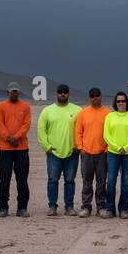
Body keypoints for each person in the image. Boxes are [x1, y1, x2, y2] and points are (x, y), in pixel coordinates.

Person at [38, 84, 81, 217]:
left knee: (70, 180)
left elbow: (82, 129)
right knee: (52, 180)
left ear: (68, 94)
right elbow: (41, 130)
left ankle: (69, 207)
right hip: (53, 153)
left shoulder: (78, 110)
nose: (62, 94)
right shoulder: (47, 111)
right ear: (56, 93)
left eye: (65, 92)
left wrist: (78, 147)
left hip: (71, 152)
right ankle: (52, 206)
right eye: (60, 92)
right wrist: (47, 147)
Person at [0, 83, 32, 218]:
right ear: (7, 92)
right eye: (12, 91)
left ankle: (22, 207)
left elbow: (26, 125)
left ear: (19, 92)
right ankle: (3, 207)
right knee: (4, 178)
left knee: (22, 179)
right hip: (5, 148)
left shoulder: (26, 107)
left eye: (16, 91)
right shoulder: (1, 107)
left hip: (21, 148)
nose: (14, 93)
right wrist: (8, 138)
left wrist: (16, 137)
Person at [104, 91, 128, 218]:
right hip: (113, 153)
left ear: (127, 102)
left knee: (126, 181)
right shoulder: (110, 116)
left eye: (123, 101)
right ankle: (110, 209)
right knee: (111, 181)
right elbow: (106, 135)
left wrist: (126, 147)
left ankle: (123, 208)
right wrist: (117, 147)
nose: (121, 103)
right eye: (118, 101)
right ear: (115, 103)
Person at [74, 87, 110, 217]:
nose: (95, 98)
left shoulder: (107, 113)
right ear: (89, 98)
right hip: (87, 154)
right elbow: (78, 131)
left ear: (101, 96)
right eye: (92, 96)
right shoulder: (83, 113)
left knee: (101, 182)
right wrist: (80, 148)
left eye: (97, 95)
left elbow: (111, 132)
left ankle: (101, 207)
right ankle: (86, 207)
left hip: (102, 153)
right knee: (87, 181)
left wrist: (107, 149)